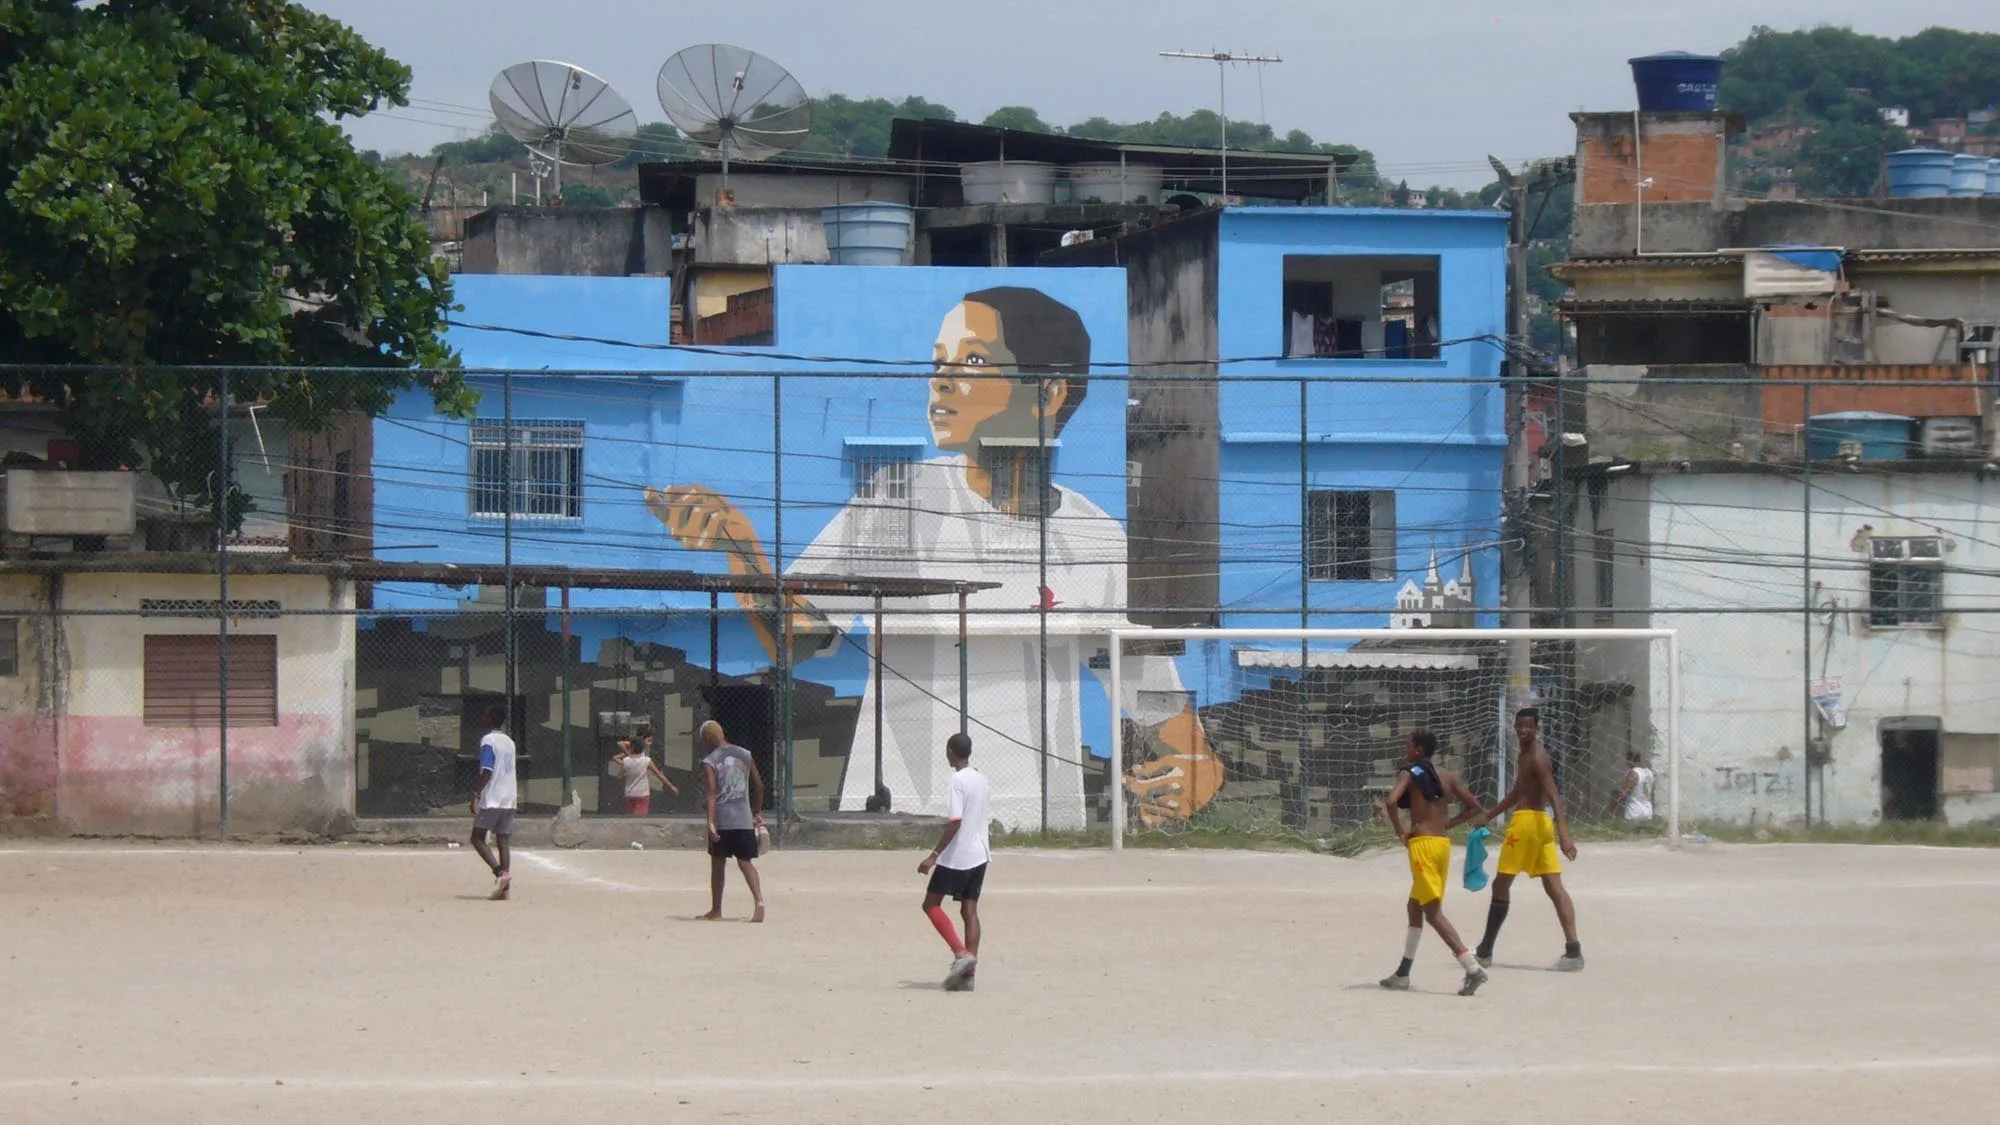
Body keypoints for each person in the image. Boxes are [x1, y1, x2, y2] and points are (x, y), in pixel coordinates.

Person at [644, 287, 1215, 832]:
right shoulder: (895, 498)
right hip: (900, 817)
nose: (939, 382)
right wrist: (744, 554)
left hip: (1044, 826)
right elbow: (797, 637)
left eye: (970, 361)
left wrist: (1197, 762)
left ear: (1047, 393)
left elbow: (1143, 682)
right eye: (938, 361)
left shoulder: (1094, 534)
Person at [1379, 727, 1488, 996]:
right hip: (1442, 846)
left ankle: (1472, 968)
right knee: (1414, 906)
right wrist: (1446, 824)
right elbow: (1475, 807)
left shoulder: (1409, 772)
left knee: (1433, 912)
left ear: (1418, 750)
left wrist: (1400, 833)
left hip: (1423, 847)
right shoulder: (1448, 776)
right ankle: (1403, 973)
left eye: (1408, 744)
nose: (1404, 749)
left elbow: (1392, 801)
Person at [1473, 708, 1583, 971]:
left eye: (1529, 726)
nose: (1523, 730)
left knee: (1501, 885)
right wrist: (1489, 815)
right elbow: (1517, 792)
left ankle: (1485, 951)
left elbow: (1555, 795)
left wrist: (1565, 836)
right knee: (1554, 887)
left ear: (1537, 729)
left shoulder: (1537, 756)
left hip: (1526, 825)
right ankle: (1573, 952)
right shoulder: (1524, 755)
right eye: (1520, 725)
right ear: (1514, 726)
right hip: (1540, 825)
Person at [917, 733, 992, 992]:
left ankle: (962, 954)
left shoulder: (957, 780)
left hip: (959, 856)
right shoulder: (981, 778)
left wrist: (934, 855)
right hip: (981, 854)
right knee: (969, 911)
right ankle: (968, 974)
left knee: (930, 904)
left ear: (951, 752)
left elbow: (956, 821)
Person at [699, 720, 766, 923]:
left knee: (718, 863)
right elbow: (759, 786)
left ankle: (716, 910)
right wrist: (756, 811)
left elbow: (711, 792)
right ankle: (759, 901)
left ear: (708, 739)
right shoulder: (745, 754)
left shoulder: (710, 760)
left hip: (723, 819)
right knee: (746, 862)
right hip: (744, 818)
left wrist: (710, 821)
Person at [469, 704, 516, 901]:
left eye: (485, 715)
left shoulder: (488, 740)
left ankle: (500, 874)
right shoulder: (510, 741)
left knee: (477, 838)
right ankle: (505, 890)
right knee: (502, 839)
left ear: (489, 719)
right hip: (510, 796)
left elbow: (487, 769)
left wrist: (476, 793)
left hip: (493, 797)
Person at [611, 725, 678, 815]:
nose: (650, 744)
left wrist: (627, 763)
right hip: (642, 793)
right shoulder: (646, 760)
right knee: (640, 819)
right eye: (648, 741)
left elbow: (619, 775)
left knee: (631, 818)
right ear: (642, 742)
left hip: (629, 793)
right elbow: (658, 774)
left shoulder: (626, 760)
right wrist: (671, 786)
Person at [1607, 749, 1655, 823]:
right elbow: (1651, 793)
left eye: (1626, 760)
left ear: (1629, 760)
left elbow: (1625, 794)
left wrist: (1612, 807)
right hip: (1648, 812)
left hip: (1634, 812)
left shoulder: (1633, 773)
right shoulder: (1649, 773)